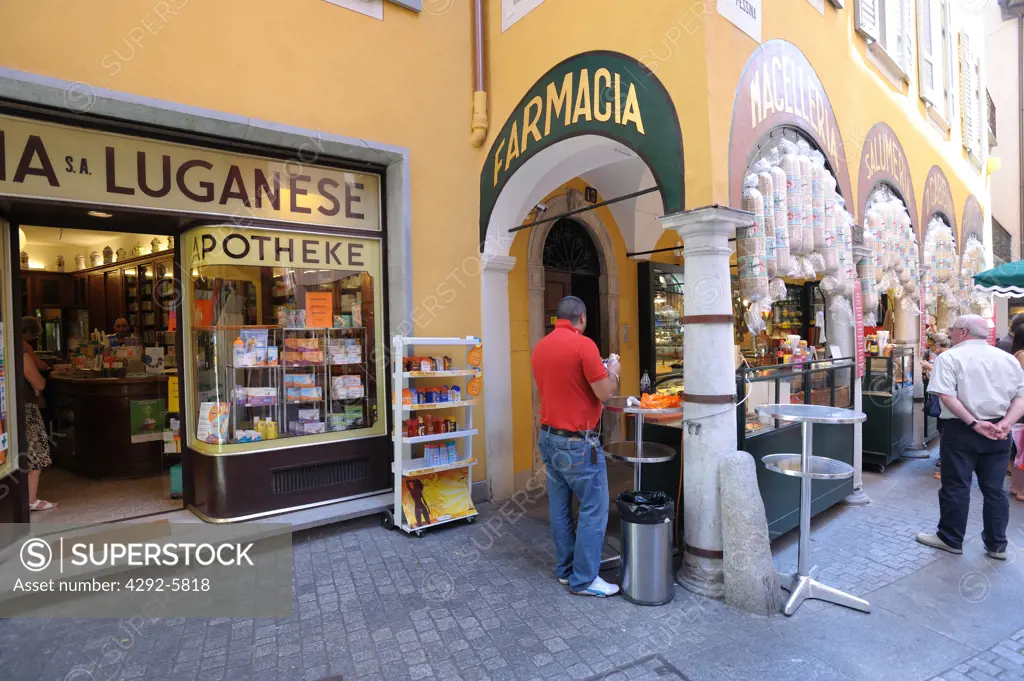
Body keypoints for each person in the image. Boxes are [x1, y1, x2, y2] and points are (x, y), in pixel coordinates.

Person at [531, 296, 621, 597]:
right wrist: (614, 370)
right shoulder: (584, 345)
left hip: (548, 437)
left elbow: (566, 385)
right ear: (581, 318)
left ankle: (566, 571)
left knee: (559, 506)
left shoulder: (541, 347)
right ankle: (585, 579)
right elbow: (605, 392)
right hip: (577, 443)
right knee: (594, 508)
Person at [917, 315, 1024, 560]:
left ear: (963, 332)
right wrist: (1005, 424)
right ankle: (997, 545)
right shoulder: (1007, 359)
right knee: (994, 490)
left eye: (952, 329)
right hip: (999, 430)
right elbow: (1021, 397)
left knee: (956, 485)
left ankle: (950, 538)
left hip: (961, 430)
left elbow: (946, 396)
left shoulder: (949, 357)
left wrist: (974, 423)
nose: (950, 333)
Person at [21, 317, 56, 511]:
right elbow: (39, 383)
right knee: (36, 453)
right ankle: (31, 499)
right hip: (26, 408)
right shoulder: (22, 355)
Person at [922, 332, 951, 480]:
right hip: (945, 402)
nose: (930, 348)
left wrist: (929, 367)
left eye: (931, 345)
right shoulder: (947, 356)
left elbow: (943, 376)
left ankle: (947, 467)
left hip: (945, 402)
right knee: (944, 432)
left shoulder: (944, 357)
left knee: (945, 433)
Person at [1009, 326, 1024, 502]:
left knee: (1018, 450)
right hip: (1020, 406)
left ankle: (1016, 487)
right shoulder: (1022, 355)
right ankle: (1021, 489)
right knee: (1021, 449)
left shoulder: (1015, 354)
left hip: (1016, 407)